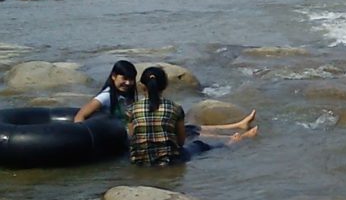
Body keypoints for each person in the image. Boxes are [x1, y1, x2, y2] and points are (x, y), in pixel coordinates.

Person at [76, 60, 258, 136]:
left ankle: (235, 126)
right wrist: (84, 136)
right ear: (114, 76)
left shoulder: (123, 95)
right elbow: (80, 116)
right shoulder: (107, 96)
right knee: (188, 133)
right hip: (124, 134)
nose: (128, 83)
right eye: (124, 79)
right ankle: (234, 138)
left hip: (132, 129)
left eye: (131, 79)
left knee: (190, 128)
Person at [125, 66, 257, 166]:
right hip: (170, 160)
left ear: (142, 86)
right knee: (200, 145)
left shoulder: (131, 109)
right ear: (165, 86)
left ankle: (238, 130)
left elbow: (132, 138)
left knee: (191, 131)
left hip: (140, 162)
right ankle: (233, 141)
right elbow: (181, 142)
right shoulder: (174, 108)